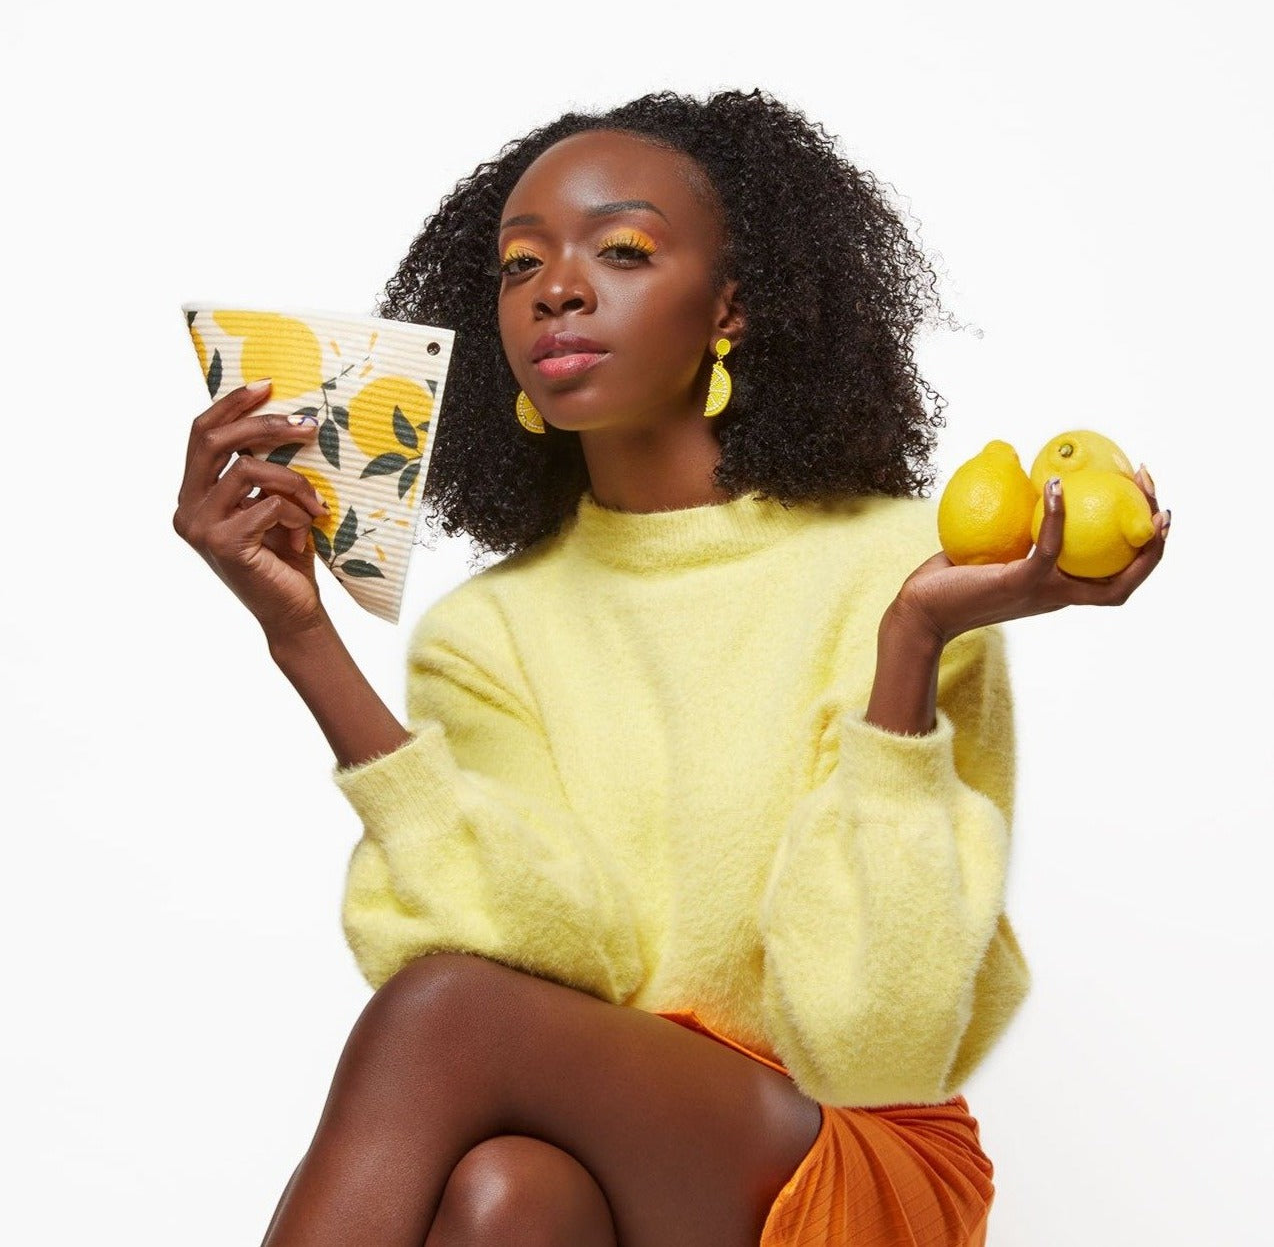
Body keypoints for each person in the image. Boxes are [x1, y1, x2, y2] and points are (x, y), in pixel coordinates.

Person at [173, 90, 1168, 1247]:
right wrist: (304, 641)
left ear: (730, 308)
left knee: (442, 1016)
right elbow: (546, 958)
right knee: (503, 1196)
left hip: (843, 1160)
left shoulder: (900, 571)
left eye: (625, 250)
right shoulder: (487, 634)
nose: (557, 286)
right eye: (518, 265)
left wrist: (907, 646)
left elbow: (874, 1039)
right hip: (619, 1158)